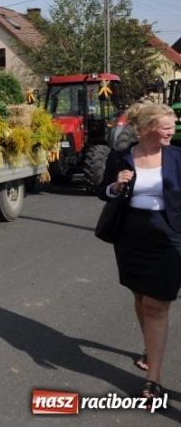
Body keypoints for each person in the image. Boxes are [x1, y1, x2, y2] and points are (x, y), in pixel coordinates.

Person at [97, 102, 181, 403]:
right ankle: (150, 346)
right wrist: (116, 187)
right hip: (131, 236)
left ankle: (153, 380)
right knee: (140, 297)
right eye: (165, 126)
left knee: (156, 306)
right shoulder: (122, 156)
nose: (171, 130)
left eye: (173, 125)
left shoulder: (177, 157)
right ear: (145, 129)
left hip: (170, 236)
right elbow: (101, 190)